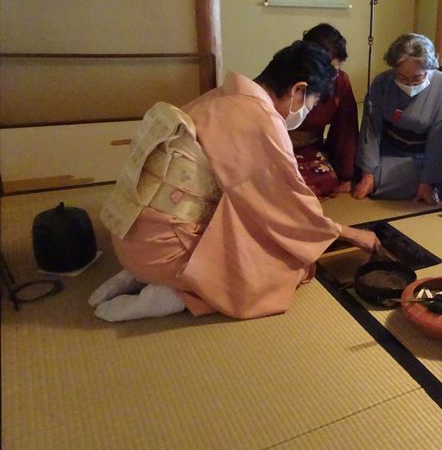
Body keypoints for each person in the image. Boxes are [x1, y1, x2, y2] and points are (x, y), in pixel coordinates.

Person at [91, 41, 380, 322]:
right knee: (287, 266)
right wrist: (348, 233)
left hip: (129, 233)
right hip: (165, 252)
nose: (307, 112)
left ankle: (137, 274)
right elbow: (289, 207)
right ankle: (173, 294)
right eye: (311, 103)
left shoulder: (219, 97)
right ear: (298, 90)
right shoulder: (261, 120)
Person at [352, 33, 442, 204]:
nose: (409, 84)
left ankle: (424, 185)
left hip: (426, 157)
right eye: (402, 78)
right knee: (363, 175)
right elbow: (371, 130)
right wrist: (368, 173)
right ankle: (378, 179)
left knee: (434, 185)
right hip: (389, 152)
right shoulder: (382, 82)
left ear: (430, 68)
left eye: (417, 78)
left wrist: (427, 181)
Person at [291, 23, 359, 198]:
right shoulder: (287, 75)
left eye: (334, 69)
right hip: (276, 145)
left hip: (309, 146)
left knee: (325, 181)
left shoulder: (339, 81)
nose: (331, 76)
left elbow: (346, 129)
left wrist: (345, 175)